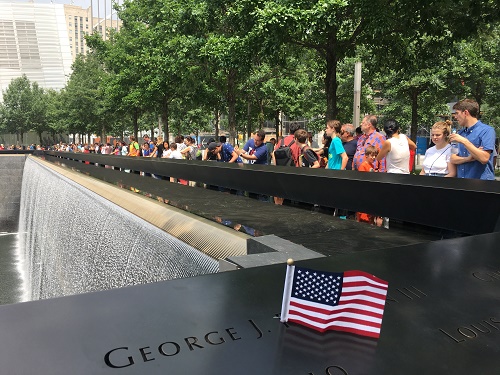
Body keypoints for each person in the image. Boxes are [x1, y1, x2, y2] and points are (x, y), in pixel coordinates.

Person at [449, 99, 496, 180]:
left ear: (466, 113)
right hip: (462, 183)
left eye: (457, 113)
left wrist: (464, 141)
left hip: (482, 184)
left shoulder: (487, 131)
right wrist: (468, 159)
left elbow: (484, 158)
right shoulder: (460, 133)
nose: (455, 117)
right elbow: (453, 159)